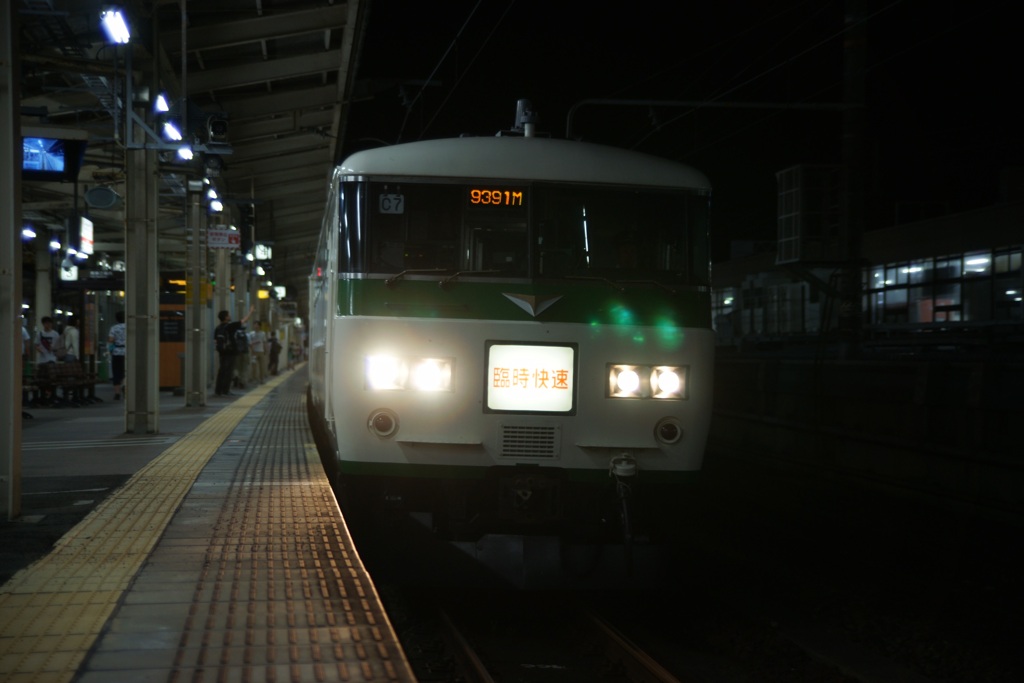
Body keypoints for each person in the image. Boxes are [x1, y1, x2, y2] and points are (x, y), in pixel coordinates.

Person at [214, 305, 254, 396]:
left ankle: (218, 390)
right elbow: (244, 320)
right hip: (230, 352)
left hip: (222, 352)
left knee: (221, 371)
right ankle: (225, 390)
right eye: (228, 315)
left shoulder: (218, 328)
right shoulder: (230, 326)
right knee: (228, 371)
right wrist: (250, 312)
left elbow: (215, 341)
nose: (229, 316)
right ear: (225, 317)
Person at [108, 311, 127, 400]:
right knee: (125, 371)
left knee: (116, 372)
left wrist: (110, 350)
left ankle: (117, 393)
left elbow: (111, 340)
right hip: (127, 352)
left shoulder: (114, 328)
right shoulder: (129, 327)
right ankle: (124, 385)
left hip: (116, 352)